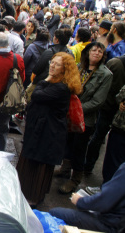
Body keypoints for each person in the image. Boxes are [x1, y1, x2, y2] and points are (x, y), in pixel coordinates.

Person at [17, 52, 81, 206]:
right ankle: (25, 192)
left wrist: (45, 80)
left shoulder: (61, 87)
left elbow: (37, 95)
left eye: (57, 64)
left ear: (64, 69)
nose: (52, 66)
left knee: (39, 165)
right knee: (32, 161)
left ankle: (33, 197)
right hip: (40, 129)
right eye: (52, 63)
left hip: (47, 133)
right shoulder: (55, 83)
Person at [58, 42, 112, 194]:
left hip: (85, 119)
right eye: (93, 50)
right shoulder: (79, 67)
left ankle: (75, 179)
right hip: (69, 114)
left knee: (79, 149)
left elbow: (98, 101)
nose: (96, 53)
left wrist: (77, 109)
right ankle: (65, 169)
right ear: (87, 52)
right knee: (67, 143)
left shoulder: (106, 74)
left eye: (100, 51)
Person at [49, 162, 125, 233]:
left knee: (54, 213)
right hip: (118, 222)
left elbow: (104, 201)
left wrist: (80, 201)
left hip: (111, 225)